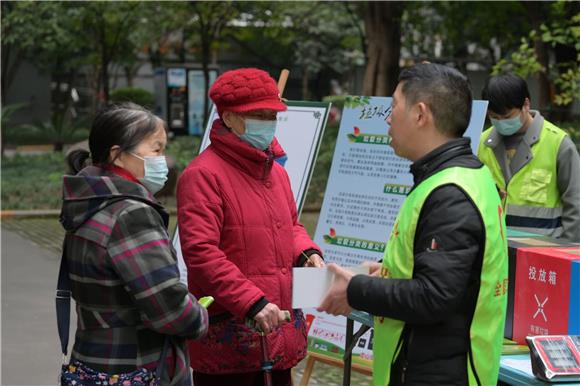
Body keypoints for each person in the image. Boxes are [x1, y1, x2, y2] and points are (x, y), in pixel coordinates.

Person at [318, 63, 508, 386]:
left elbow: (434, 295)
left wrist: (355, 290)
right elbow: (445, 274)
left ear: (421, 114)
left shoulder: (451, 193)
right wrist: (386, 270)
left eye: (393, 106)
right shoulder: (459, 177)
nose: (388, 118)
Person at [176, 68, 324, 386]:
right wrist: (251, 302)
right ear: (228, 118)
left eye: (271, 114)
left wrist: (307, 253)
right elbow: (201, 253)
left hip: (278, 327)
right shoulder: (203, 175)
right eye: (257, 115)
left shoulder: (275, 171)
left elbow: (291, 227)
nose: (267, 122)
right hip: (231, 338)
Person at [60, 103, 208, 385]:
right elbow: (168, 307)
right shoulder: (131, 214)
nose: (163, 160)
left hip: (93, 362)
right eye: (156, 149)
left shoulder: (88, 202)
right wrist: (197, 316)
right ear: (118, 155)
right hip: (137, 366)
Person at [478, 73, 580, 242]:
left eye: (507, 117)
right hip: (495, 251)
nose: (501, 122)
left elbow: (575, 203)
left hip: (543, 253)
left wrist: (566, 249)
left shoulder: (558, 143)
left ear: (526, 104)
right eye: (494, 117)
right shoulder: (482, 143)